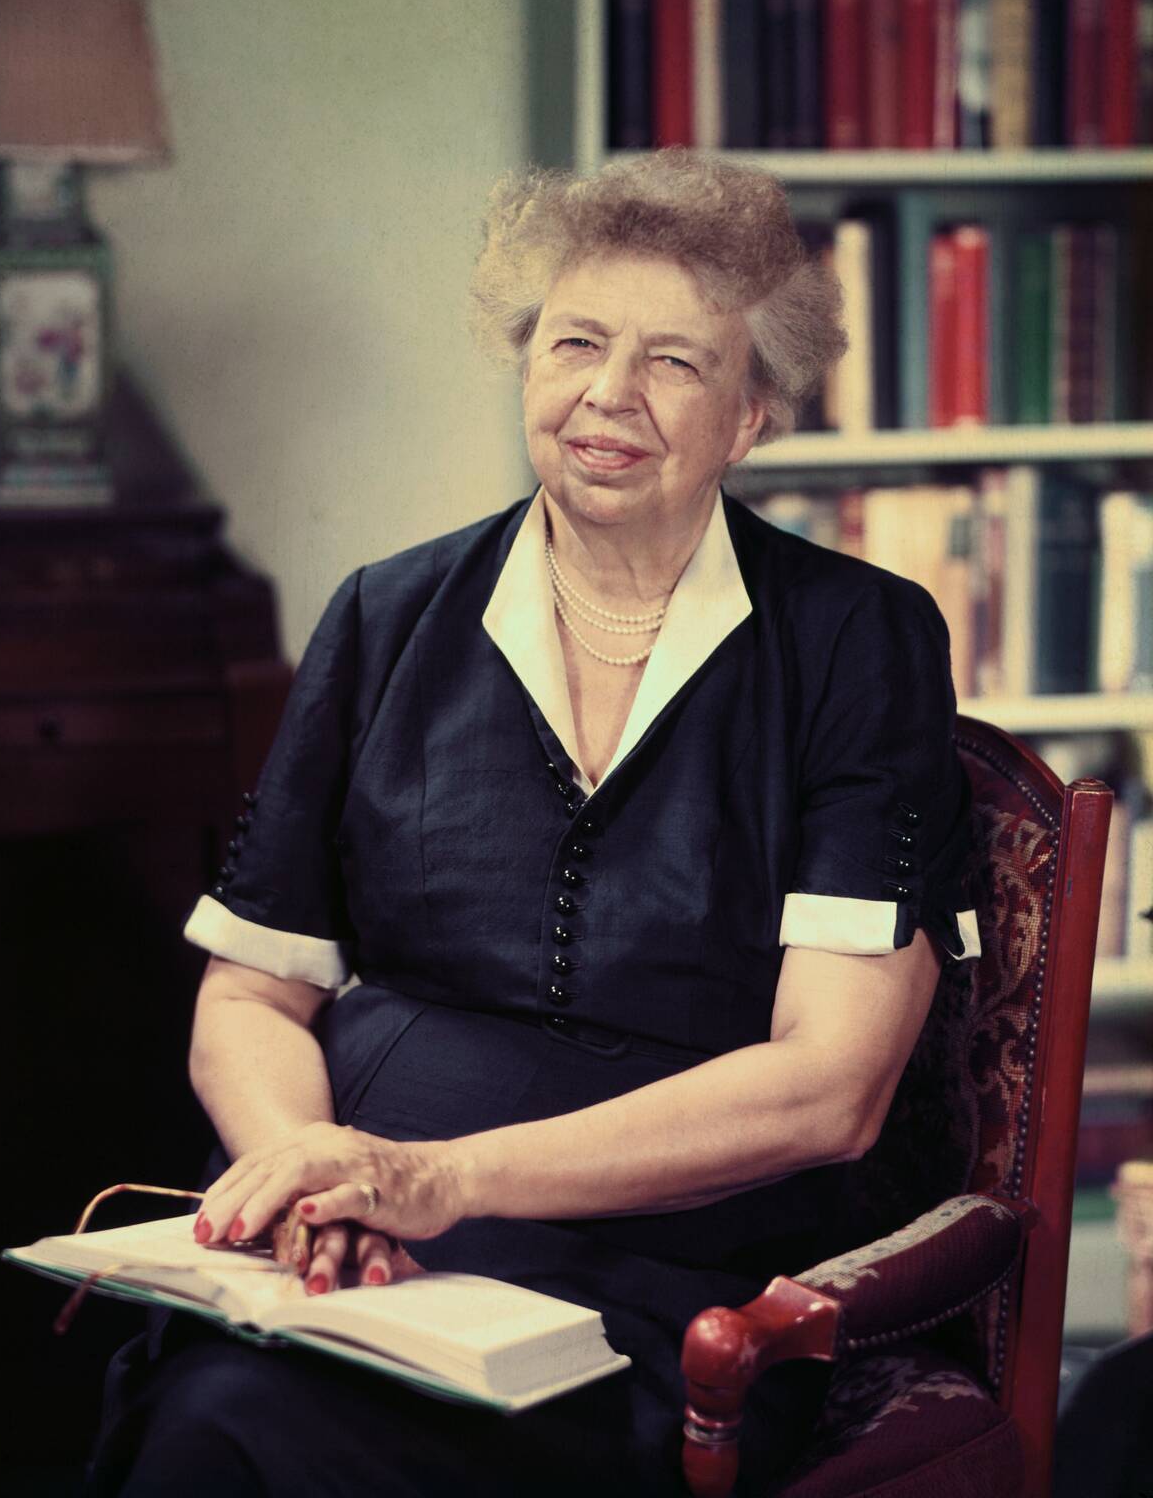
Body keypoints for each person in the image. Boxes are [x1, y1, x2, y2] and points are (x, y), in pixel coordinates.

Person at [87, 150, 981, 1497]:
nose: (607, 395)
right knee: (219, 1402)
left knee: (276, 1435)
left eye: (675, 362)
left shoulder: (858, 642)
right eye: (576, 342)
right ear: (524, 363)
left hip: (659, 1288)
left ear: (754, 414)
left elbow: (830, 1086)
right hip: (352, 1259)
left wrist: (435, 1179)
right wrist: (314, 1188)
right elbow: (253, 993)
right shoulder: (385, 616)